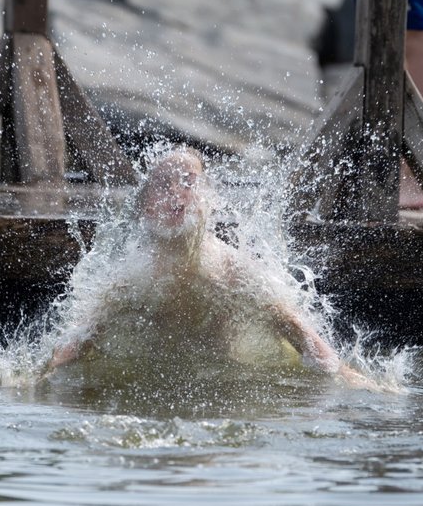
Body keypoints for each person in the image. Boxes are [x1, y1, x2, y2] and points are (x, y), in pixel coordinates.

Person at [45, 147, 371, 387]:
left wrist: (345, 376)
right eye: (162, 184)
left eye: (189, 182)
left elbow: (296, 327)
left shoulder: (232, 270)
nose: (177, 193)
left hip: (227, 380)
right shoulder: (133, 275)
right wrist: (43, 378)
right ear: (144, 208)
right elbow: (81, 338)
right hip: (154, 382)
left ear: (210, 200)